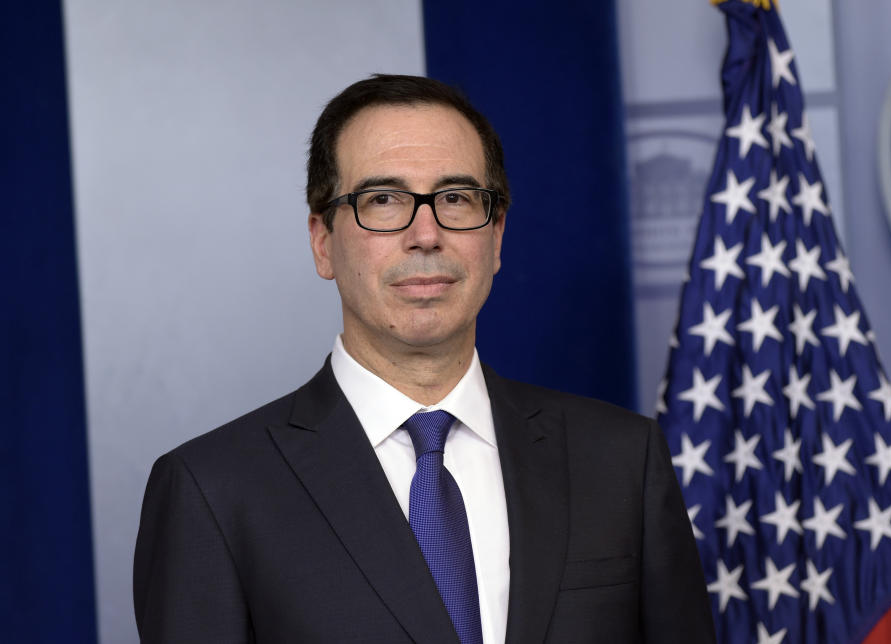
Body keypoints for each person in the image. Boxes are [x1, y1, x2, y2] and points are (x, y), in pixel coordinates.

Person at [133, 74, 715, 643]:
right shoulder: (212, 490)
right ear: (322, 241)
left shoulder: (620, 461)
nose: (426, 233)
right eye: (383, 200)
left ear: (497, 237)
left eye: (457, 198)